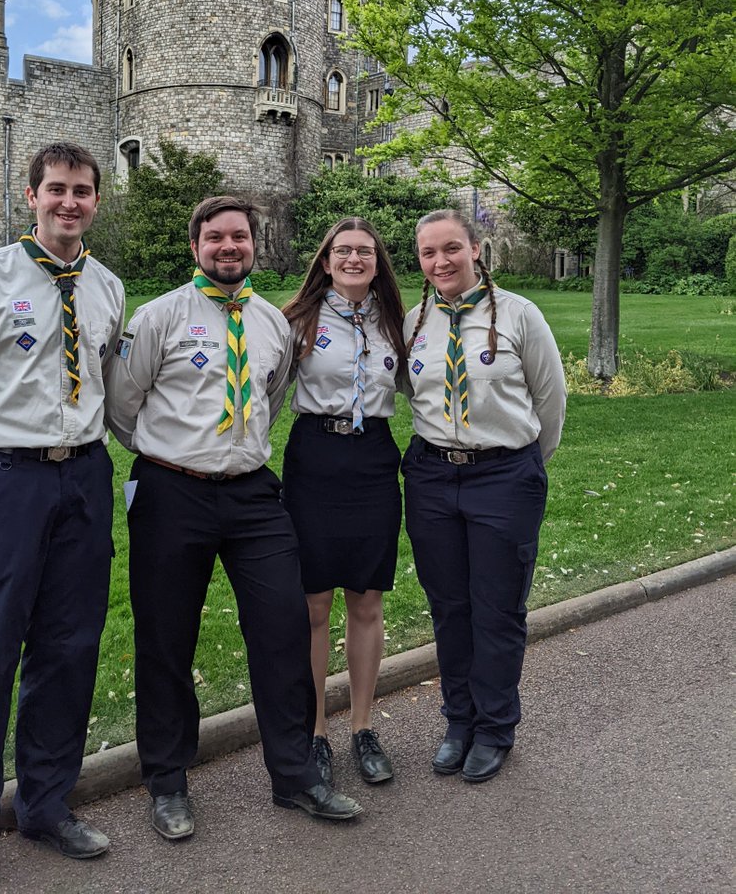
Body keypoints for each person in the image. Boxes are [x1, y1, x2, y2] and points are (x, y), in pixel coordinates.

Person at [105, 195, 362, 841]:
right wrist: (172, 457)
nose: (229, 247)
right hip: (171, 492)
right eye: (216, 238)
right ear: (195, 247)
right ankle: (167, 781)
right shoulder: (160, 316)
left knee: (283, 629)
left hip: (251, 494)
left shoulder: (272, 323)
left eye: (240, 238)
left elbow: (270, 400)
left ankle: (295, 776)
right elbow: (120, 405)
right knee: (166, 640)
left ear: (255, 245)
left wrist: (230, 455)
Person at [0, 142, 125, 894]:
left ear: (96, 201)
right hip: (5, 481)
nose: (69, 202)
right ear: (32, 195)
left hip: (82, 478)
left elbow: (111, 389)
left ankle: (46, 805)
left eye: (82, 192)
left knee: (69, 650)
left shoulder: (107, 287)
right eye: (57, 190)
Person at [401, 209, 566, 784]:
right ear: (419, 261)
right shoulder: (413, 320)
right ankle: (459, 720)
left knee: (496, 611)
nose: (441, 261)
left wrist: (520, 469)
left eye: (452, 248)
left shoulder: (519, 314)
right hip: (431, 476)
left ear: (476, 249)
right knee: (449, 608)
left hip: (503, 477)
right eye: (429, 253)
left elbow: (550, 402)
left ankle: (495, 727)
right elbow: (410, 392)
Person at [281, 218, 406, 787]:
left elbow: (422, 387)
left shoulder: (398, 325)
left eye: (365, 251)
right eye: (343, 251)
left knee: (366, 600)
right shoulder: (298, 321)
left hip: (374, 461)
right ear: (326, 261)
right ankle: (315, 732)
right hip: (315, 457)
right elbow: (262, 390)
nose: (354, 259)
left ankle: (361, 726)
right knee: (313, 607)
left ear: (377, 262)